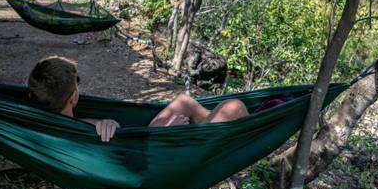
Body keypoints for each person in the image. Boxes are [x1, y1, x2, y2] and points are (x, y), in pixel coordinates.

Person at [27, 56, 248, 142]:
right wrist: (167, 134)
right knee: (235, 106)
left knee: (184, 102)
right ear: (74, 97)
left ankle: (212, 128)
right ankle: (221, 138)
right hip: (160, 158)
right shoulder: (74, 136)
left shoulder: (50, 123)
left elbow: (76, 126)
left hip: (145, 141)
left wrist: (100, 123)